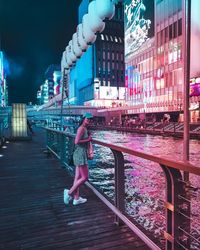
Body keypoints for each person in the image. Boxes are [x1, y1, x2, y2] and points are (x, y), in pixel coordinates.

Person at [63, 112, 93, 206]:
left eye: (90, 119)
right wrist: (88, 140)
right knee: (85, 177)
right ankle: (69, 193)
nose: (89, 121)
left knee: (78, 177)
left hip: (79, 154)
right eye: (87, 119)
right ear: (83, 119)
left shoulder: (84, 128)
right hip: (80, 154)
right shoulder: (81, 129)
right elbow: (76, 141)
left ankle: (76, 198)